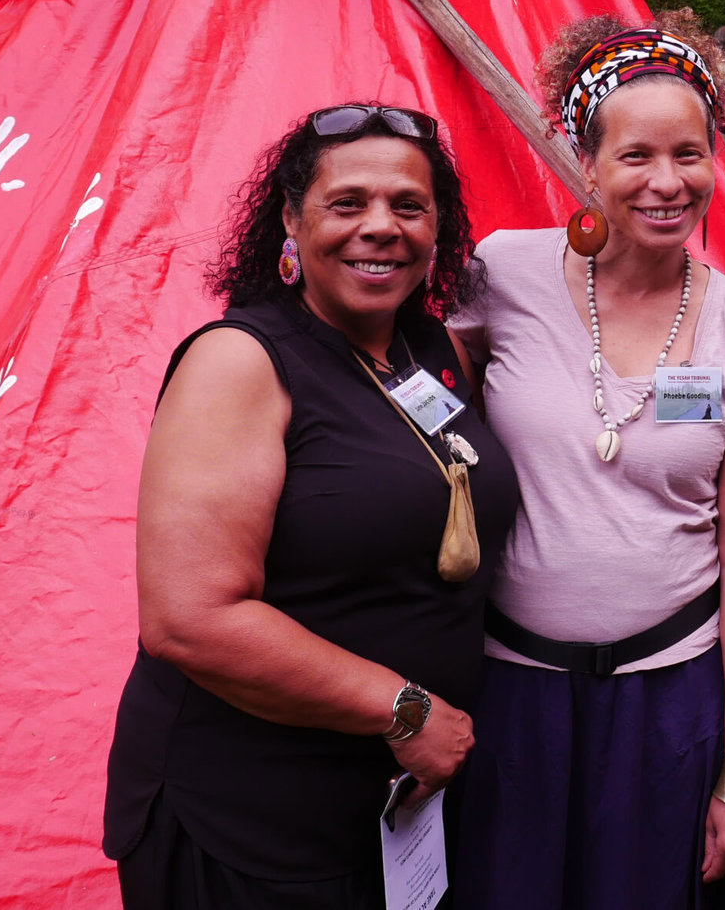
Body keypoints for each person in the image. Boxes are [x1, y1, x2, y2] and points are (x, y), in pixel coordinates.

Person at [104, 104, 520, 909]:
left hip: (393, 807)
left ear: (440, 225)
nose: (380, 227)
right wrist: (406, 710)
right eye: (348, 203)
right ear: (291, 219)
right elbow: (190, 617)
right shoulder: (240, 362)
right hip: (252, 821)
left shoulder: (429, 347)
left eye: (408, 205)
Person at [450, 12, 725, 910]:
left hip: (670, 699)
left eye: (690, 154)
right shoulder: (501, 274)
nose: (666, 181)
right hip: (508, 695)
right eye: (636, 155)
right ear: (586, 161)